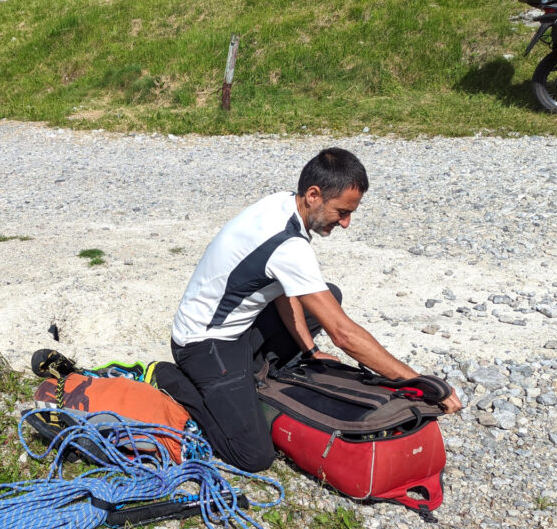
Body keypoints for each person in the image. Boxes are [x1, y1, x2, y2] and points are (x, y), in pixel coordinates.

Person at [161, 147, 462, 473]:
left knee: (327, 295)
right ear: (314, 195)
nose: (346, 223)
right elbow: (344, 335)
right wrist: (418, 382)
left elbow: (280, 289)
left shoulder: (284, 205)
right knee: (254, 457)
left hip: (238, 326)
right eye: (342, 211)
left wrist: (310, 349)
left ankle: (250, 373)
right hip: (204, 344)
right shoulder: (287, 244)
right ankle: (172, 379)